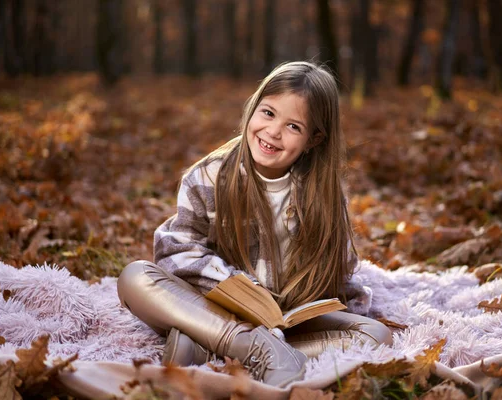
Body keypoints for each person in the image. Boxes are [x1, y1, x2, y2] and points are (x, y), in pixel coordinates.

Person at [117, 61, 392, 388]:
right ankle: (248, 345)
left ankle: (210, 349)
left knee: (375, 335)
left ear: (314, 139)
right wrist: (239, 287)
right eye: (268, 113)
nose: (273, 132)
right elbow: (174, 249)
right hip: (214, 307)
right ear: (253, 108)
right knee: (135, 275)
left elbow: (339, 269)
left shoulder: (326, 195)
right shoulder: (208, 176)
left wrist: (350, 308)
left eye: (294, 127)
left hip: (285, 319)